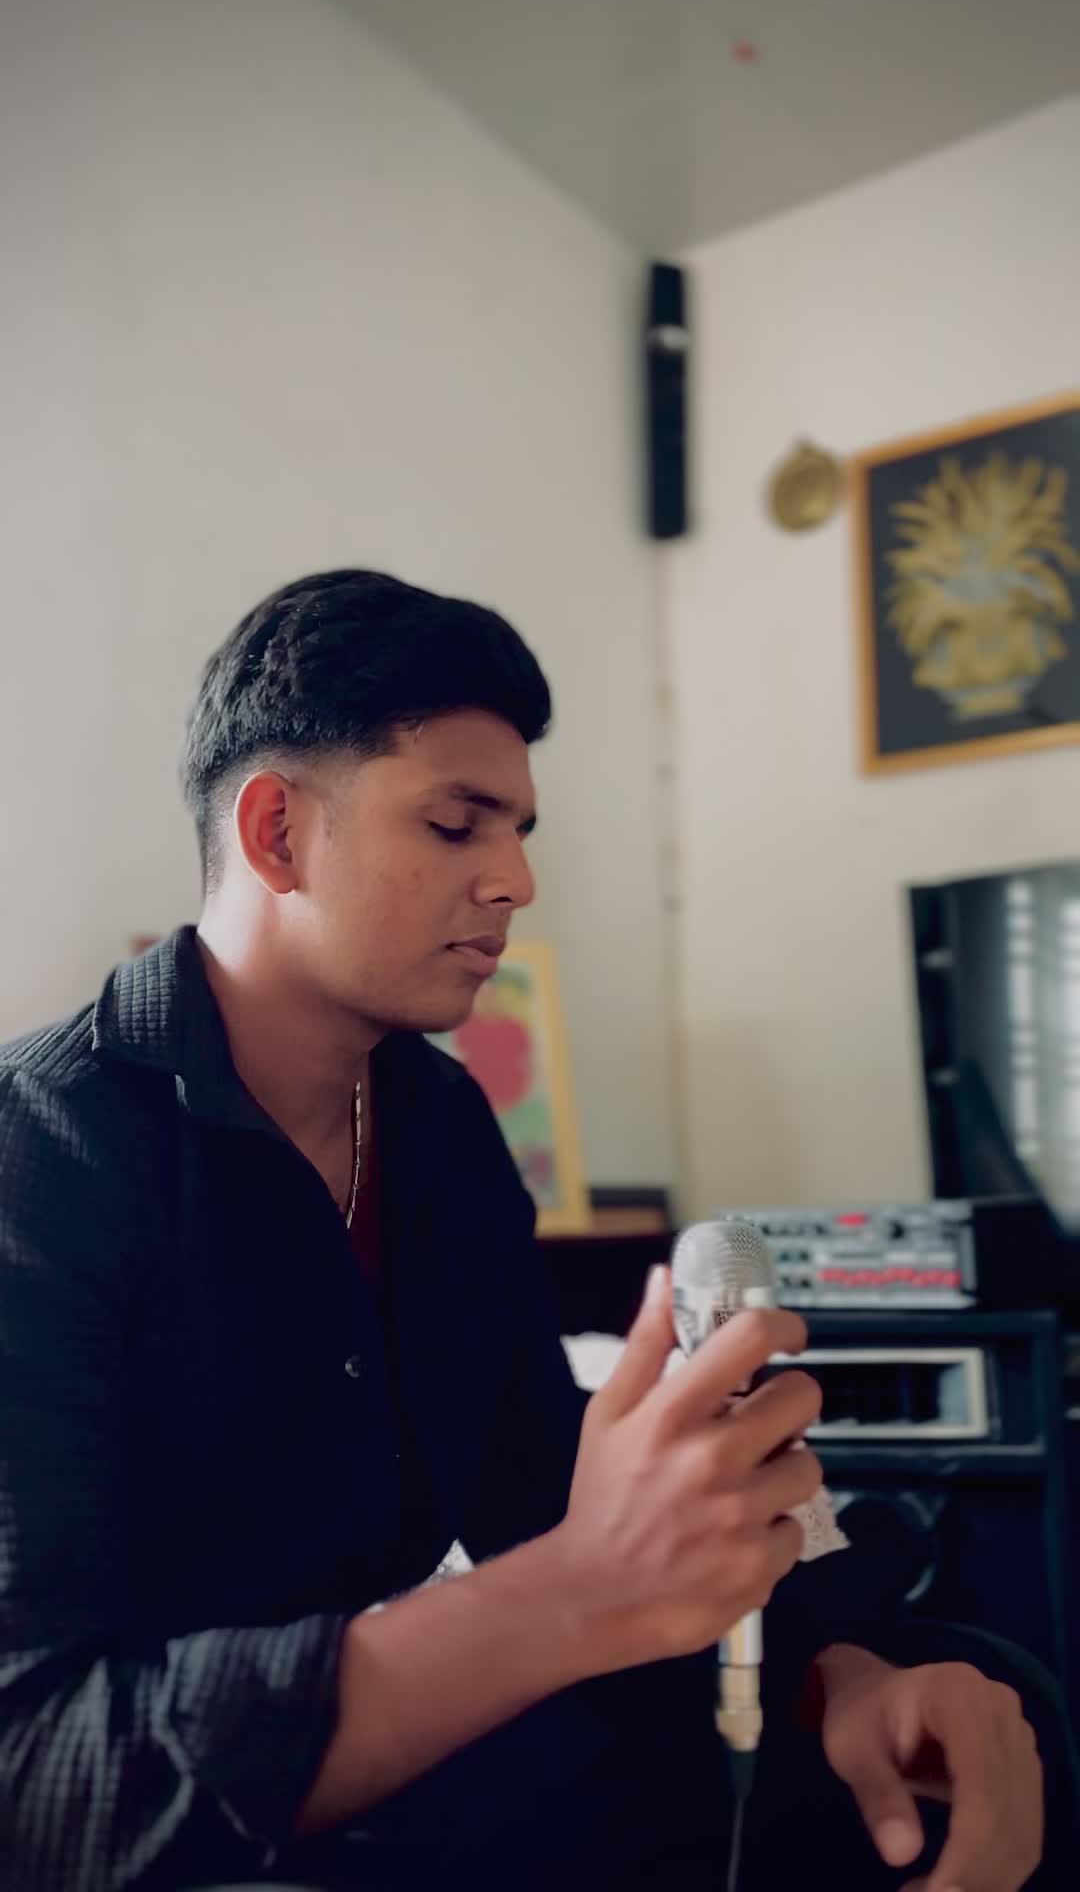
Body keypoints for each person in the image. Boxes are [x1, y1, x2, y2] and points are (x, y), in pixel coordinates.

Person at [0, 569, 1068, 1892]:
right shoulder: (42, 1158)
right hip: (175, 1831)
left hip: (392, 1762)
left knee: (967, 1702)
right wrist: (572, 1593)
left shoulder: (436, 1123)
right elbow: (39, 1775)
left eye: (517, 831)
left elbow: (541, 1478)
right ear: (276, 832)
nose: (515, 880)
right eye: (457, 825)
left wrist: (839, 1674)